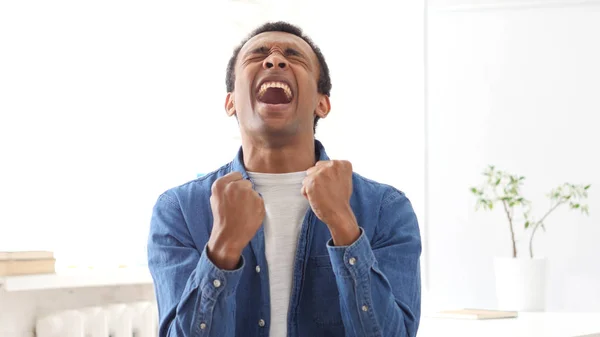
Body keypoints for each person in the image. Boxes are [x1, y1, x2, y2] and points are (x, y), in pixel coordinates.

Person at [148, 21, 422, 337]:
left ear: (323, 103)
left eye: (293, 55)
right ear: (231, 101)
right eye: (258, 54)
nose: (275, 60)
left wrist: (344, 226)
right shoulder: (179, 210)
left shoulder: (387, 209)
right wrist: (222, 247)